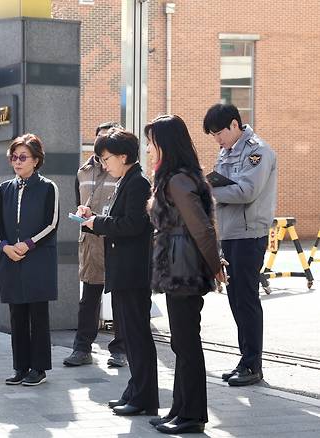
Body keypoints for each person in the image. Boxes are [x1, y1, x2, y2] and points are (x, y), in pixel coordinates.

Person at [146, 115, 225, 434]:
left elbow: (202, 228)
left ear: (165, 144)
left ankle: (192, 415)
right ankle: (180, 409)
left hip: (184, 267)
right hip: (177, 264)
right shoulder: (177, 176)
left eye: (152, 142)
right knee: (182, 342)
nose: (149, 148)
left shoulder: (178, 180)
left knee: (187, 343)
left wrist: (217, 266)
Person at [80, 128, 158, 416]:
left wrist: (96, 224)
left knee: (137, 336)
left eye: (107, 158)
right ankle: (135, 392)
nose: (104, 164)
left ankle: (144, 397)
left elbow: (133, 226)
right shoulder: (125, 180)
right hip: (123, 270)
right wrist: (93, 219)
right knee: (133, 336)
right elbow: (119, 219)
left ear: (123, 156)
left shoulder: (137, 183)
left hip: (132, 271)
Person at [203, 103, 277, 387]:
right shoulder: (227, 151)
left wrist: (209, 190)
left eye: (219, 133)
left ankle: (252, 365)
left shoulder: (258, 151)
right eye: (213, 136)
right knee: (236, 300)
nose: (217, 140)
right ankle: (245, 360)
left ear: (235, 124)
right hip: (230, 233)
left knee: (246, 299)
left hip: (249, 234)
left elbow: (247, 191)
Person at [0, 134, 59, 387]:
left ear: (36, 160)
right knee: (16, 316)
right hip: (10, 258)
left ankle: (39, 368)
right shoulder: (5, 189)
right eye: (14, 157)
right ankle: (20, 367)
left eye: (23, 157)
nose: (17, 162)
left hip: (38, 259)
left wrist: (27, 244)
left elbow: (52, 224)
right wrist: (5, 246)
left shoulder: (48, 187)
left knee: (38, 316)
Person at [63, 122, 127, 368]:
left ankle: (120, 349)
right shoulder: (83, 171)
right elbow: (80, 201)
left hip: (115, 242)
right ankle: (82, 348)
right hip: (90, 242)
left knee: (120, 298)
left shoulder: (123, 171)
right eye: (100, 141)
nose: (103, 149)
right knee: (89, 298)